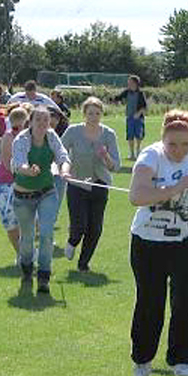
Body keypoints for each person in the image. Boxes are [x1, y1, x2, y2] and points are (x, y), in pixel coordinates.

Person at [128, 110, 188, 376]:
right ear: (162, 140)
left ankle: (182, 359)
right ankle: (142, 360)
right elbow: (136, 195)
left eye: (184, 144)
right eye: (172, 144)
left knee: (187, 300)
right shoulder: (151, 157)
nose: (179, 150)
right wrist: (175, 189)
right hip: (149, 241)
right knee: (151, 302)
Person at [11, 105, 71, 294]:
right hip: (23, 196)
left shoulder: (52, 136)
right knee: (27, 238)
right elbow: (18, 161)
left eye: (46, 120)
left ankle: (44, 275)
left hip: (46, 192)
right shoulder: (22, 139)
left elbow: (63, 156)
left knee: (46, 234)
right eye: (39, 119)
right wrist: (27, 169)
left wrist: (64, 170)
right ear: (31, 121)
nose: (43, 123)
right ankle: (27, 268)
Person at [61, 97, 121, 272]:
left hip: (99, 185)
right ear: (84, 114)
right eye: (90, 113)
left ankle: (83, 263)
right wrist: (63, 170)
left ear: (102, 114)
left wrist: (105, 156)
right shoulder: (73, 131)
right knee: (79, 225)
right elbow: (60, 152)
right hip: (77, 183)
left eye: (97, 113)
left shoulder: (109, 134)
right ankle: (72, 241)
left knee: (95, 228)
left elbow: (115, 166)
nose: (94, 117)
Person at [0, 107, 28, 267]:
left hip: (26, 183)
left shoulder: (33, 138)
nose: (19, 130)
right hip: (5, 183)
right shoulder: (8, 137)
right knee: (10, 222)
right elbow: (7, 163)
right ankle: (20, 253)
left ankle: (28, 253)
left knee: (29, 221)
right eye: (15, 127)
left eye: (24, 126)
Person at [115, 75, 147, 160]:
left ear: (136, 83)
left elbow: (144, 106)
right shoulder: (126, 92)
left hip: (139, 118)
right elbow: (118, 98)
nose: (128, 84)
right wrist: (113, 99)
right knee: (130, 135)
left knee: (139, 135)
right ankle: (132, 153)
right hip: (129, 117)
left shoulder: (140, 94)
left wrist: (138, 113)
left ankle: (138, 151)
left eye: (130, 82)